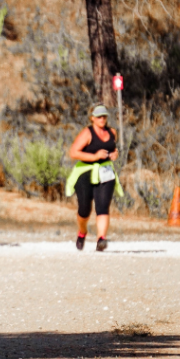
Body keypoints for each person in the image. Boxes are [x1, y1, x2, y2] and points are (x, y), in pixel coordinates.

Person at [65, 105, 123, 251]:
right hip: (86, 172)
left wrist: (115, 154)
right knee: (84, 209)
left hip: (106, 172)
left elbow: (113, 148)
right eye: (98, 116)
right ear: (92, 118)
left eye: (104, 116)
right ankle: (82, 232)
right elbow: (73, 152)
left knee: (103, 206)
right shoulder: (87, 133)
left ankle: (101, 239)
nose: (102, 119)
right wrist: (94, 156)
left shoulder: (112, 132)